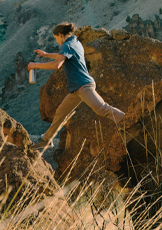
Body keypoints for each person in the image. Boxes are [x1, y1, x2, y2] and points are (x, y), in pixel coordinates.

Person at [27, 22, 125, 150]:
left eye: (56, 38)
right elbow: (63, 56)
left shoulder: (66, 45)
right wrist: (46, 55)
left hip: (83, 86)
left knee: (101, 108)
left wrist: (35, 65)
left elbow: (57, 65)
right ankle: (46, 140)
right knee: (61, 113)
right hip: (77, 89)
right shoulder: (75, 43)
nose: (57, 42)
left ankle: (127, 120)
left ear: (60, 35)